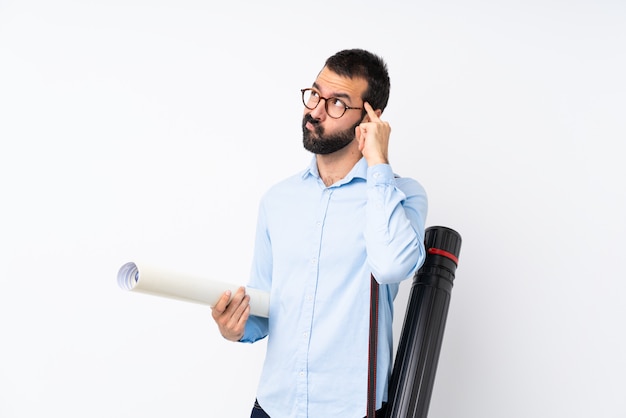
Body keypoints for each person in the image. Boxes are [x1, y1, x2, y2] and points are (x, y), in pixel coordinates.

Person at [211, 48, 428, 418]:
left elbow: (392, 267)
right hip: (273, 406)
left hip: (349, 411)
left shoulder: (399, 195)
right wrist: (234, 327)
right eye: (315, 95)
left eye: (338, 103)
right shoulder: (278, 200)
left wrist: (377, 162)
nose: (316, 111)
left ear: (371, 117)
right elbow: (265, 306)